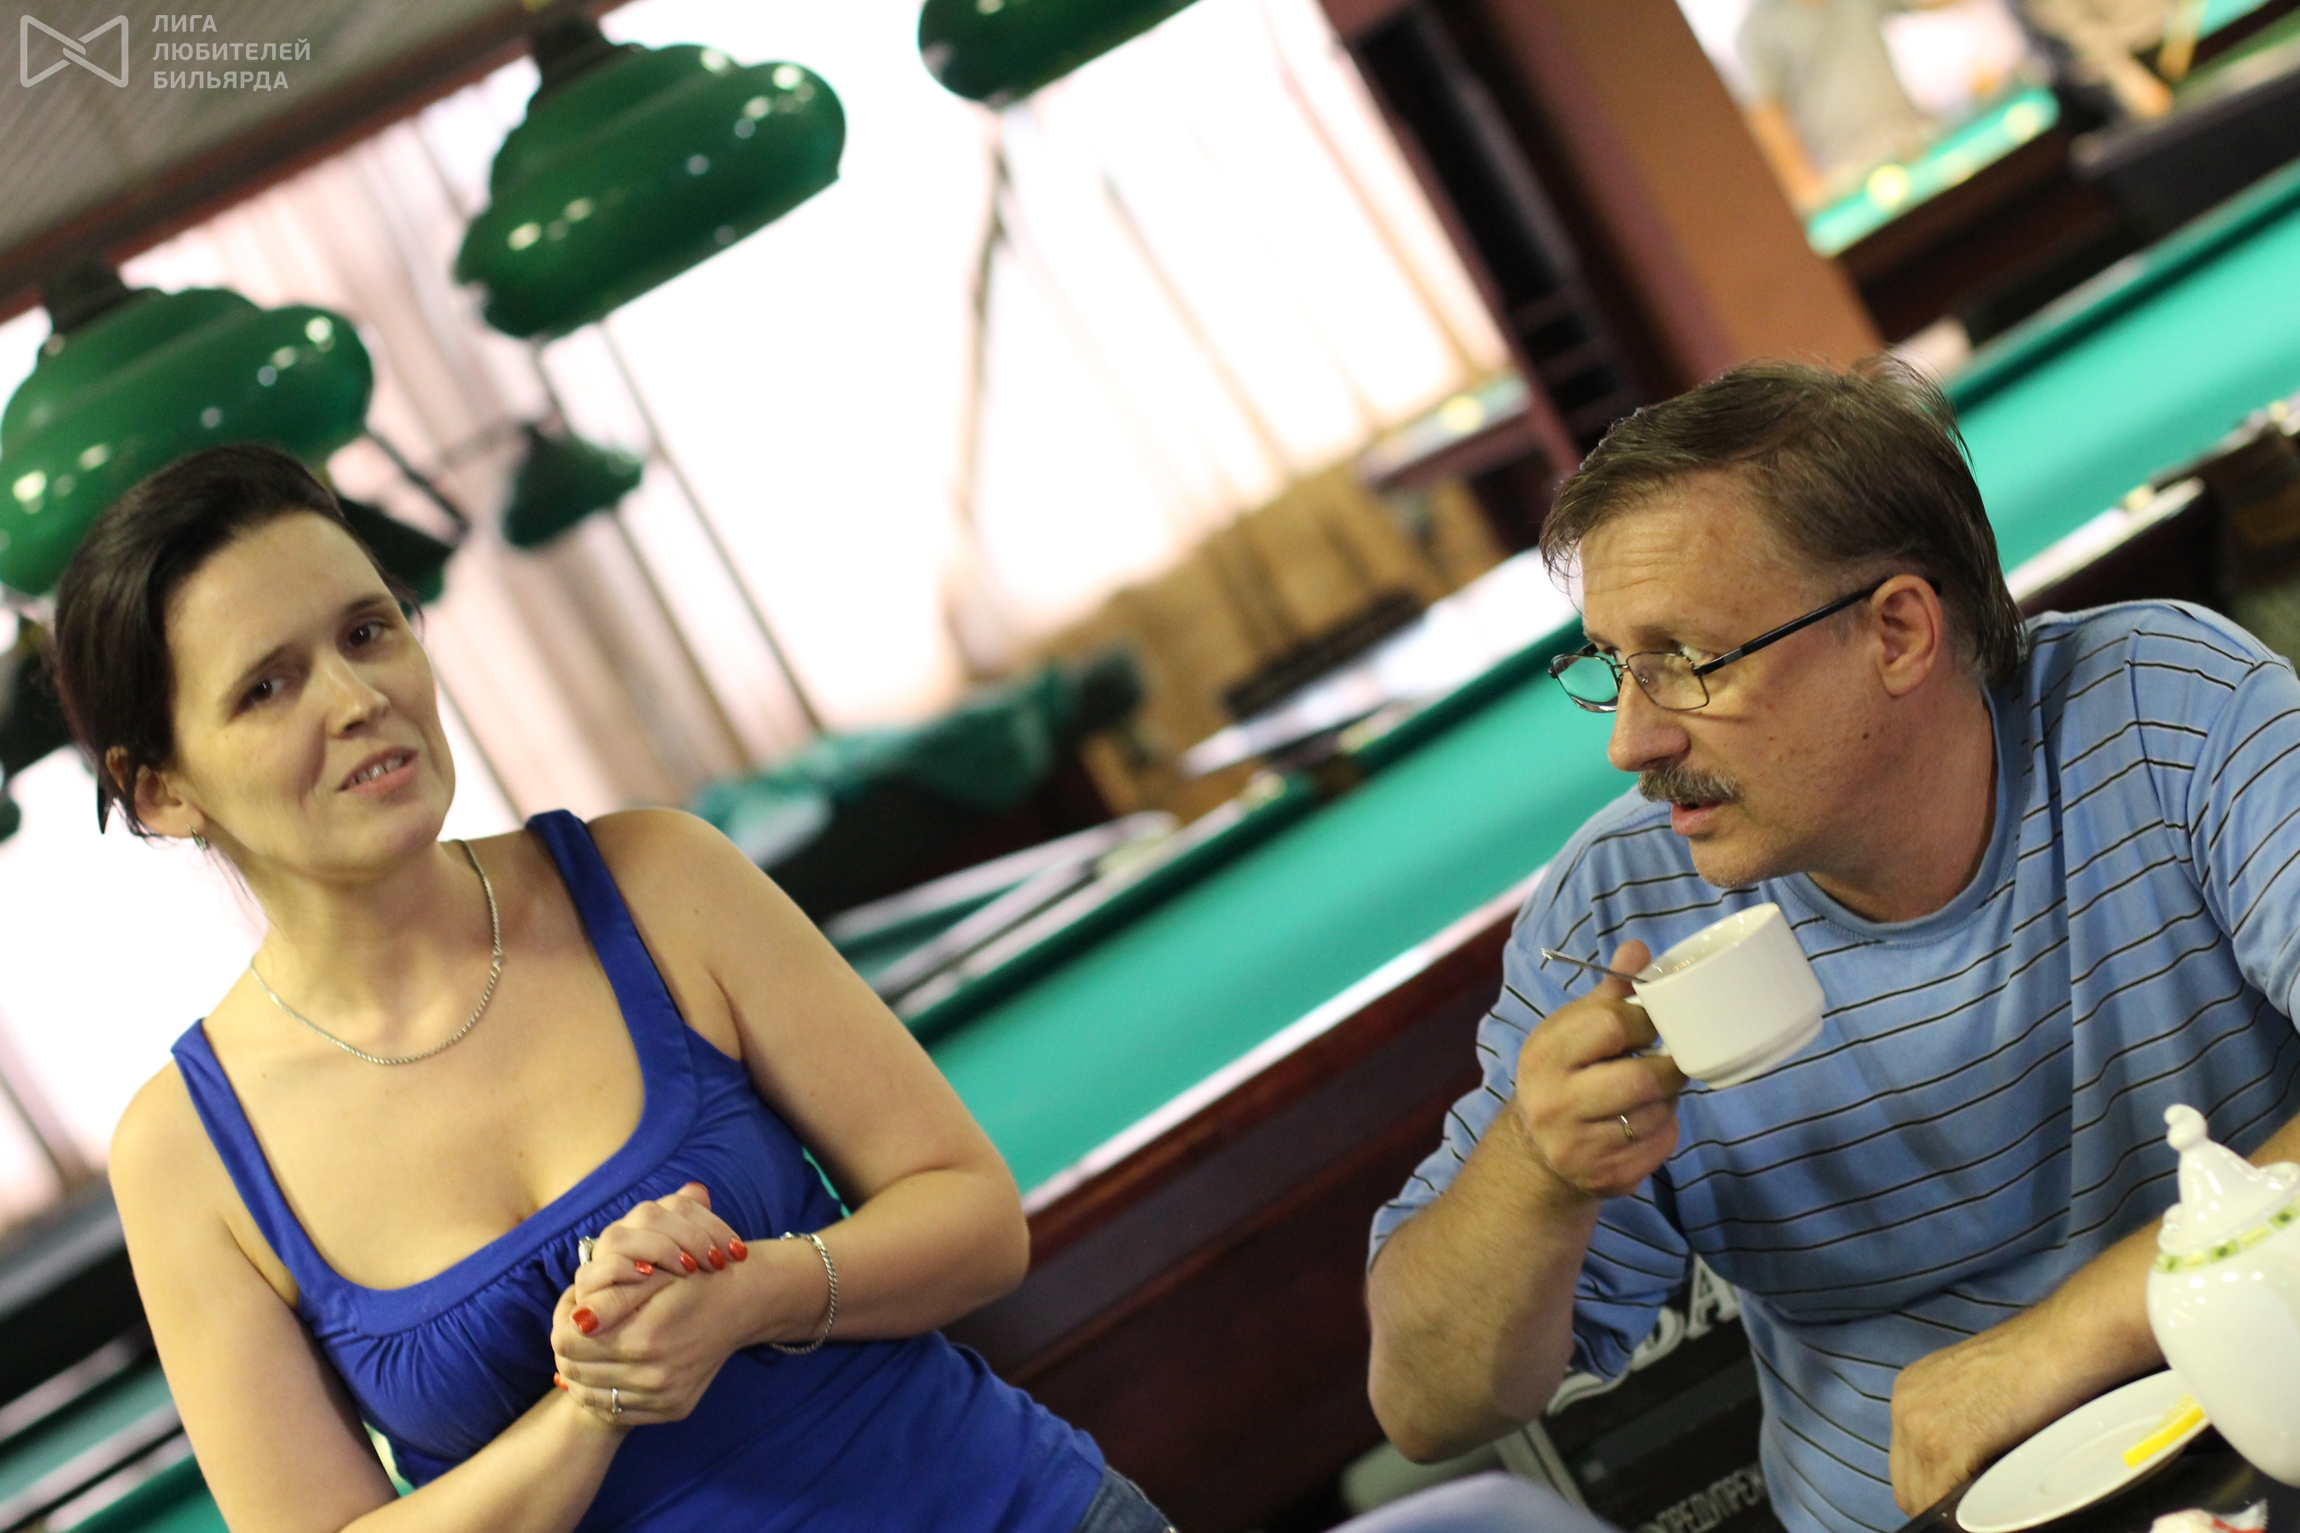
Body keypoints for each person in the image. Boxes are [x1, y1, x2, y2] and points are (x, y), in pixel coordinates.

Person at [54, 444, 1172, 1533]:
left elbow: (976, 1218)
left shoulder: (659, 877)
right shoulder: (186, 1155)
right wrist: (598, 1397)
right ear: (159, 792)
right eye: (267, 687)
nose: (355, 699)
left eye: (366, 631)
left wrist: (754, 1292)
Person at [1363, 360, 2300, 1533]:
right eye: (1612, 669)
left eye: (1684, 661)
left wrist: (2059, 1341)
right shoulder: (1615, 913)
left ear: (1895, 632)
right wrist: (1534, 1172)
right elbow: (1424, 1406)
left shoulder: (2162, 706)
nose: (1631, 741)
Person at [1737, 0, 1934, 211]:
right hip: (1845, 178)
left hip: (1914, 141)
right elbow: (1766, 117)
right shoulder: (1755, 29)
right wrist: (1808, 192)